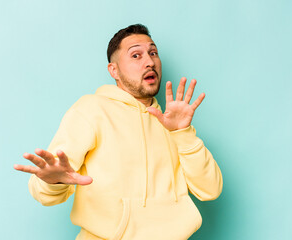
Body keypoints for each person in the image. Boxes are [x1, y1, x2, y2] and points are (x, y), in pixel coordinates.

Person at [14, 24, 223, 240]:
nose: (150, 61)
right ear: (114, 70)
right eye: (136, 55)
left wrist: (183, 133)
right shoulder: (92, 109)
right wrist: (53, 181)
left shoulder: (171, 123)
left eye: (153, 53)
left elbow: (210, 190)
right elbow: (44, 192)